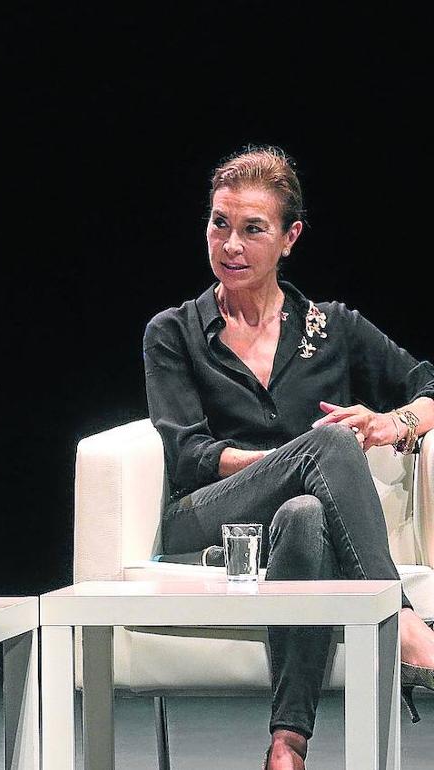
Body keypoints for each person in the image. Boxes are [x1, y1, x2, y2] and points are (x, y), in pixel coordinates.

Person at [143, 145, 434, 770]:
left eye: (253, 229)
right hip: (207, 521)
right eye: (219, 223)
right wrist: (299, 456)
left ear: (290, 237)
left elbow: (427, 384)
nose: (231, 245)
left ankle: (287, 748)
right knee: (324, 446)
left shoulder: (331, 328)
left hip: (291, 532)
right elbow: (190, 456)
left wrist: (394, 423)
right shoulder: (175, 331)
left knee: (304, 512)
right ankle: (405, 625)